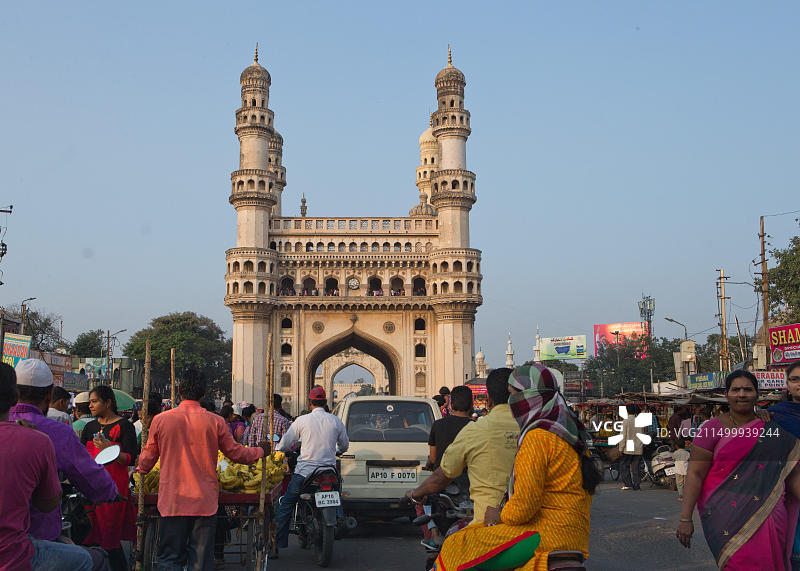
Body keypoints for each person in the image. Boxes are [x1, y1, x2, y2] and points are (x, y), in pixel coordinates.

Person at [432, 364, 599, 571]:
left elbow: (523, 508)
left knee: (456, 547)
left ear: (528, 398)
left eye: (512, 396)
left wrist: (499, 514)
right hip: (575, 535)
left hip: (543, 534)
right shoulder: (570, 433)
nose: (511, 403)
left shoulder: (537, 437)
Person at [137, 368, 267, 570]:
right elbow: (236, 453)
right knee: (200, 561)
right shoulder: (215, 421)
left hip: (172, 501)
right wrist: (260, 451)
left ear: (179, 390)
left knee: (170, 559)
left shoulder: (161, 420)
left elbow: (147, 458)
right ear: (204, 393)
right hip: (204, 502)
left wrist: (139, 470)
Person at [677, 370, 800, 570]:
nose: (742, 394)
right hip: (724, 514)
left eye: (748, 390)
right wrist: (685, 518)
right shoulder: (710, 429)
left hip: (769, 513)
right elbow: (695, 474)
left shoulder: (772, 428)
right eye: (736, 390)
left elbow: (794, 474)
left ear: (757, 395)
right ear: (726, 394)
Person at [8, 359, 117, 544]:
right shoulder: (56, 433)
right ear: (50, 395)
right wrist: (109, 492)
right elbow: (88, 473)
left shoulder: (8, 423)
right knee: (89, 560)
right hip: (37, 537)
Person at [0, 362, 95, 571]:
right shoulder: (37, 440)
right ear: (15, 397)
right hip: (12, 555)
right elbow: (48, 503)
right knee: (85, 560)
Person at [408, 368, 520, 527]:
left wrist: (414, 493)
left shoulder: (475, 431)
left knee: (450, 549)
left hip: (487, 523)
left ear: (488, 400)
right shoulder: (535, 429)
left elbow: (441, 476)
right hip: (531, 526)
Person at [274, 386, 349, 550]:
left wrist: (278, 449)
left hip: (305, 472)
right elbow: (344, 445)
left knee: (287, 503)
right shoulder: (335, 421)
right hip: (329, 471)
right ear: (326, 402)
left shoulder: (302, 420)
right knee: (337, 493)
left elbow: (286, 443)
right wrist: (337, 451)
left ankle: (278, 542)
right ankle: (339, 518)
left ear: (310, 403)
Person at [80, 385, 138, 571]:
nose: (90, 405)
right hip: (90, 489)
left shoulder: (124, 426)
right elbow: (81, 456)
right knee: (91, 536)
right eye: (90, 402)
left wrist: (109, 450)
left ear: (108, 402)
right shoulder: (89, 427)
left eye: (94, 401)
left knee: (110, 539)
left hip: (114, 490)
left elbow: (130, 458)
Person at [768, 362, 800, 570]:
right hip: (789, 494)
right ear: (787, 384)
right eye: (795, 379)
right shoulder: (774, 416)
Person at [619, 404, 646, 491]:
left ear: (627, 411)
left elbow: (623, 436)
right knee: (636, 466)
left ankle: (628, 483)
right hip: (638, 447)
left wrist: (621, 448)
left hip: (628, 447)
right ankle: (637, 484)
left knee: (624, 465)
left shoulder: (626, 421)